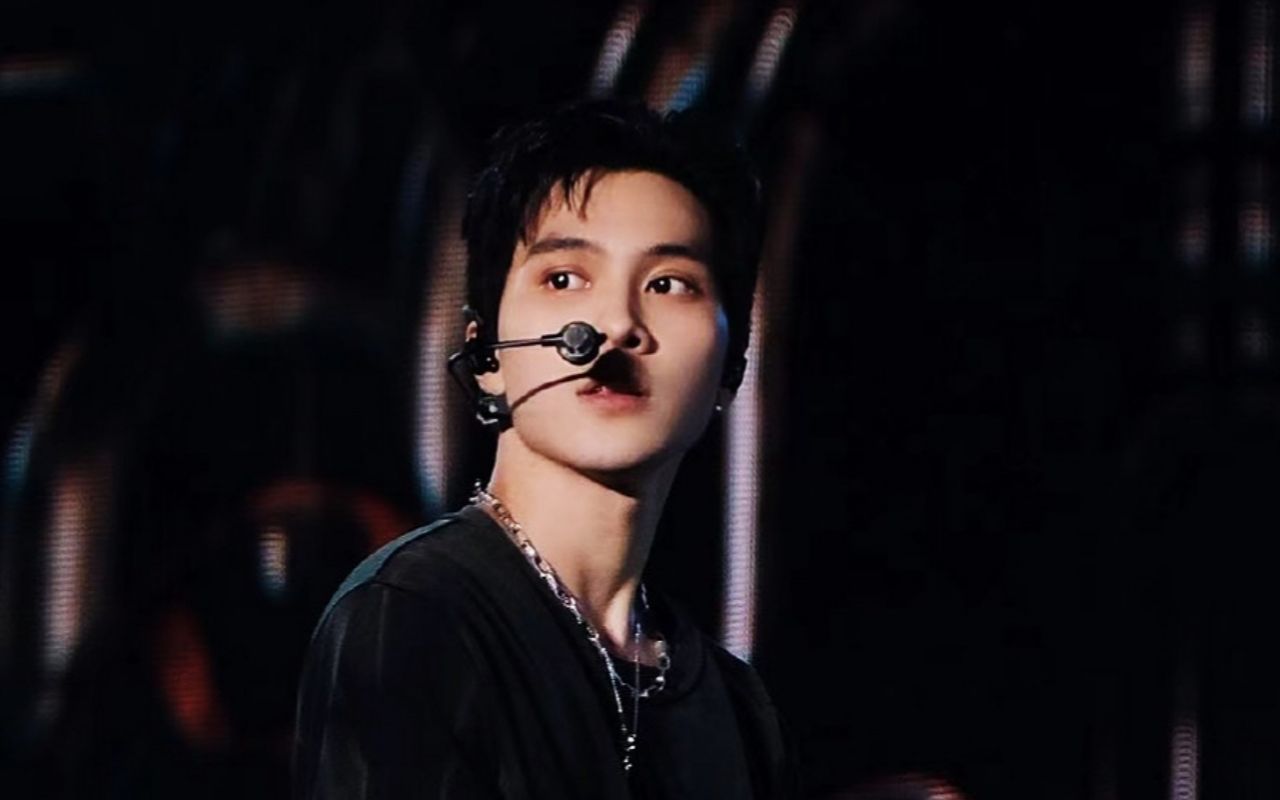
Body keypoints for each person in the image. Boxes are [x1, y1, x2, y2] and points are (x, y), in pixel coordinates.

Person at [293, 99, 794, 799]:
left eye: (668, 284)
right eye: (564, 278)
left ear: (730, 370)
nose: (617, 323)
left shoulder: (732, 705)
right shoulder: (414, 615)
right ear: (486, 356)